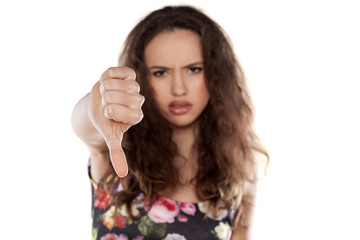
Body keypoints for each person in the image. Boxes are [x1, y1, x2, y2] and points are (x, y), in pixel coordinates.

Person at [71, 5, 268, 240]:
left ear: (216, 74)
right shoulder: (115, 149)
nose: (179, 89)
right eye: (160, 72)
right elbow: (86, 123)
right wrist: (96, 105)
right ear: (141, 77)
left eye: (193, 70)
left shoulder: (239, 167)